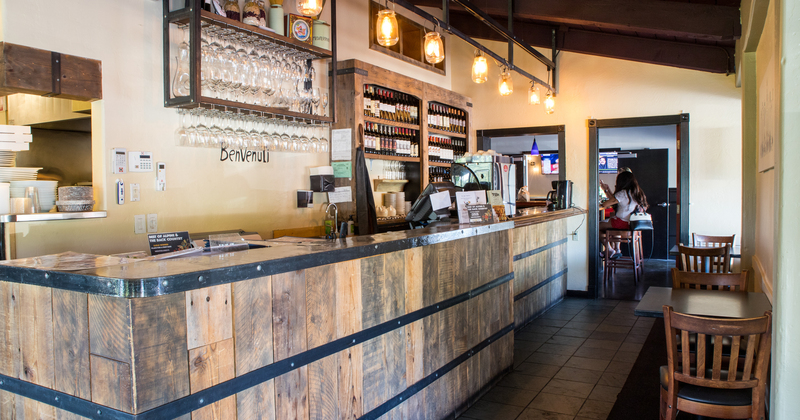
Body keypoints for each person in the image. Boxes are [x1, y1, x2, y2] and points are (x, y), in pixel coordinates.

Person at [599, 168, 648, 257]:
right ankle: (617, 249)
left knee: (596, 226)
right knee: (612, 223)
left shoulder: (623, 193)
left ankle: (609, 249)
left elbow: (607, 203)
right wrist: (607, 190)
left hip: (622, 223)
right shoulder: (638, 193)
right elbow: (614, 201)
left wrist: (603, 199)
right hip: (634, 225)